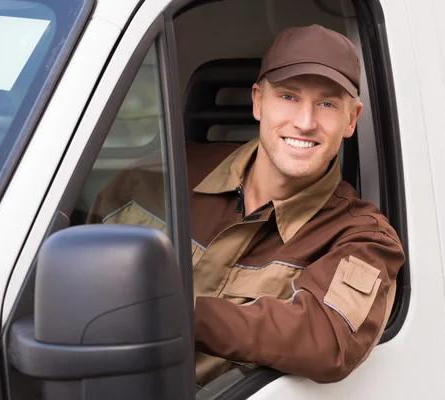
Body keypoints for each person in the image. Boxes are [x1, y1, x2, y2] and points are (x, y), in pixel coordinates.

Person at [88, 24, 405, 387]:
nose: (304, 122)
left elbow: (329, 339)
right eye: (288, 97)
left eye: (327, 104)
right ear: (257, 101)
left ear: (351, 120)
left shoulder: (362, 238)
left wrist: (176, 312)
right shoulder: (162, 173)